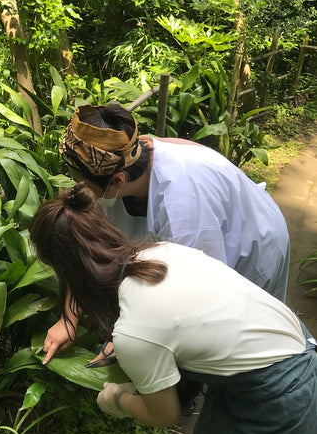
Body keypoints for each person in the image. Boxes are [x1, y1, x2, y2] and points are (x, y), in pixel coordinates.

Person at [29, 183, 317, 434]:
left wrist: (116, 399)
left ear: (65, 270)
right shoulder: (161, 251)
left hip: (284, 401)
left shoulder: (134, 332)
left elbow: (166, 415)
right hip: (287, 351)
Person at [43, 102, 290, 364]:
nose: (80, 190)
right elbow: (86, 242)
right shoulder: (131, 153)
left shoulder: (183, 209)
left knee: (244, 339)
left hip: (252, 244)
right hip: (210, 230)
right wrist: (68, 319)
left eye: (85, 185)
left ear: (117, 182)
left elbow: (199, 294)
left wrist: (127, 338)